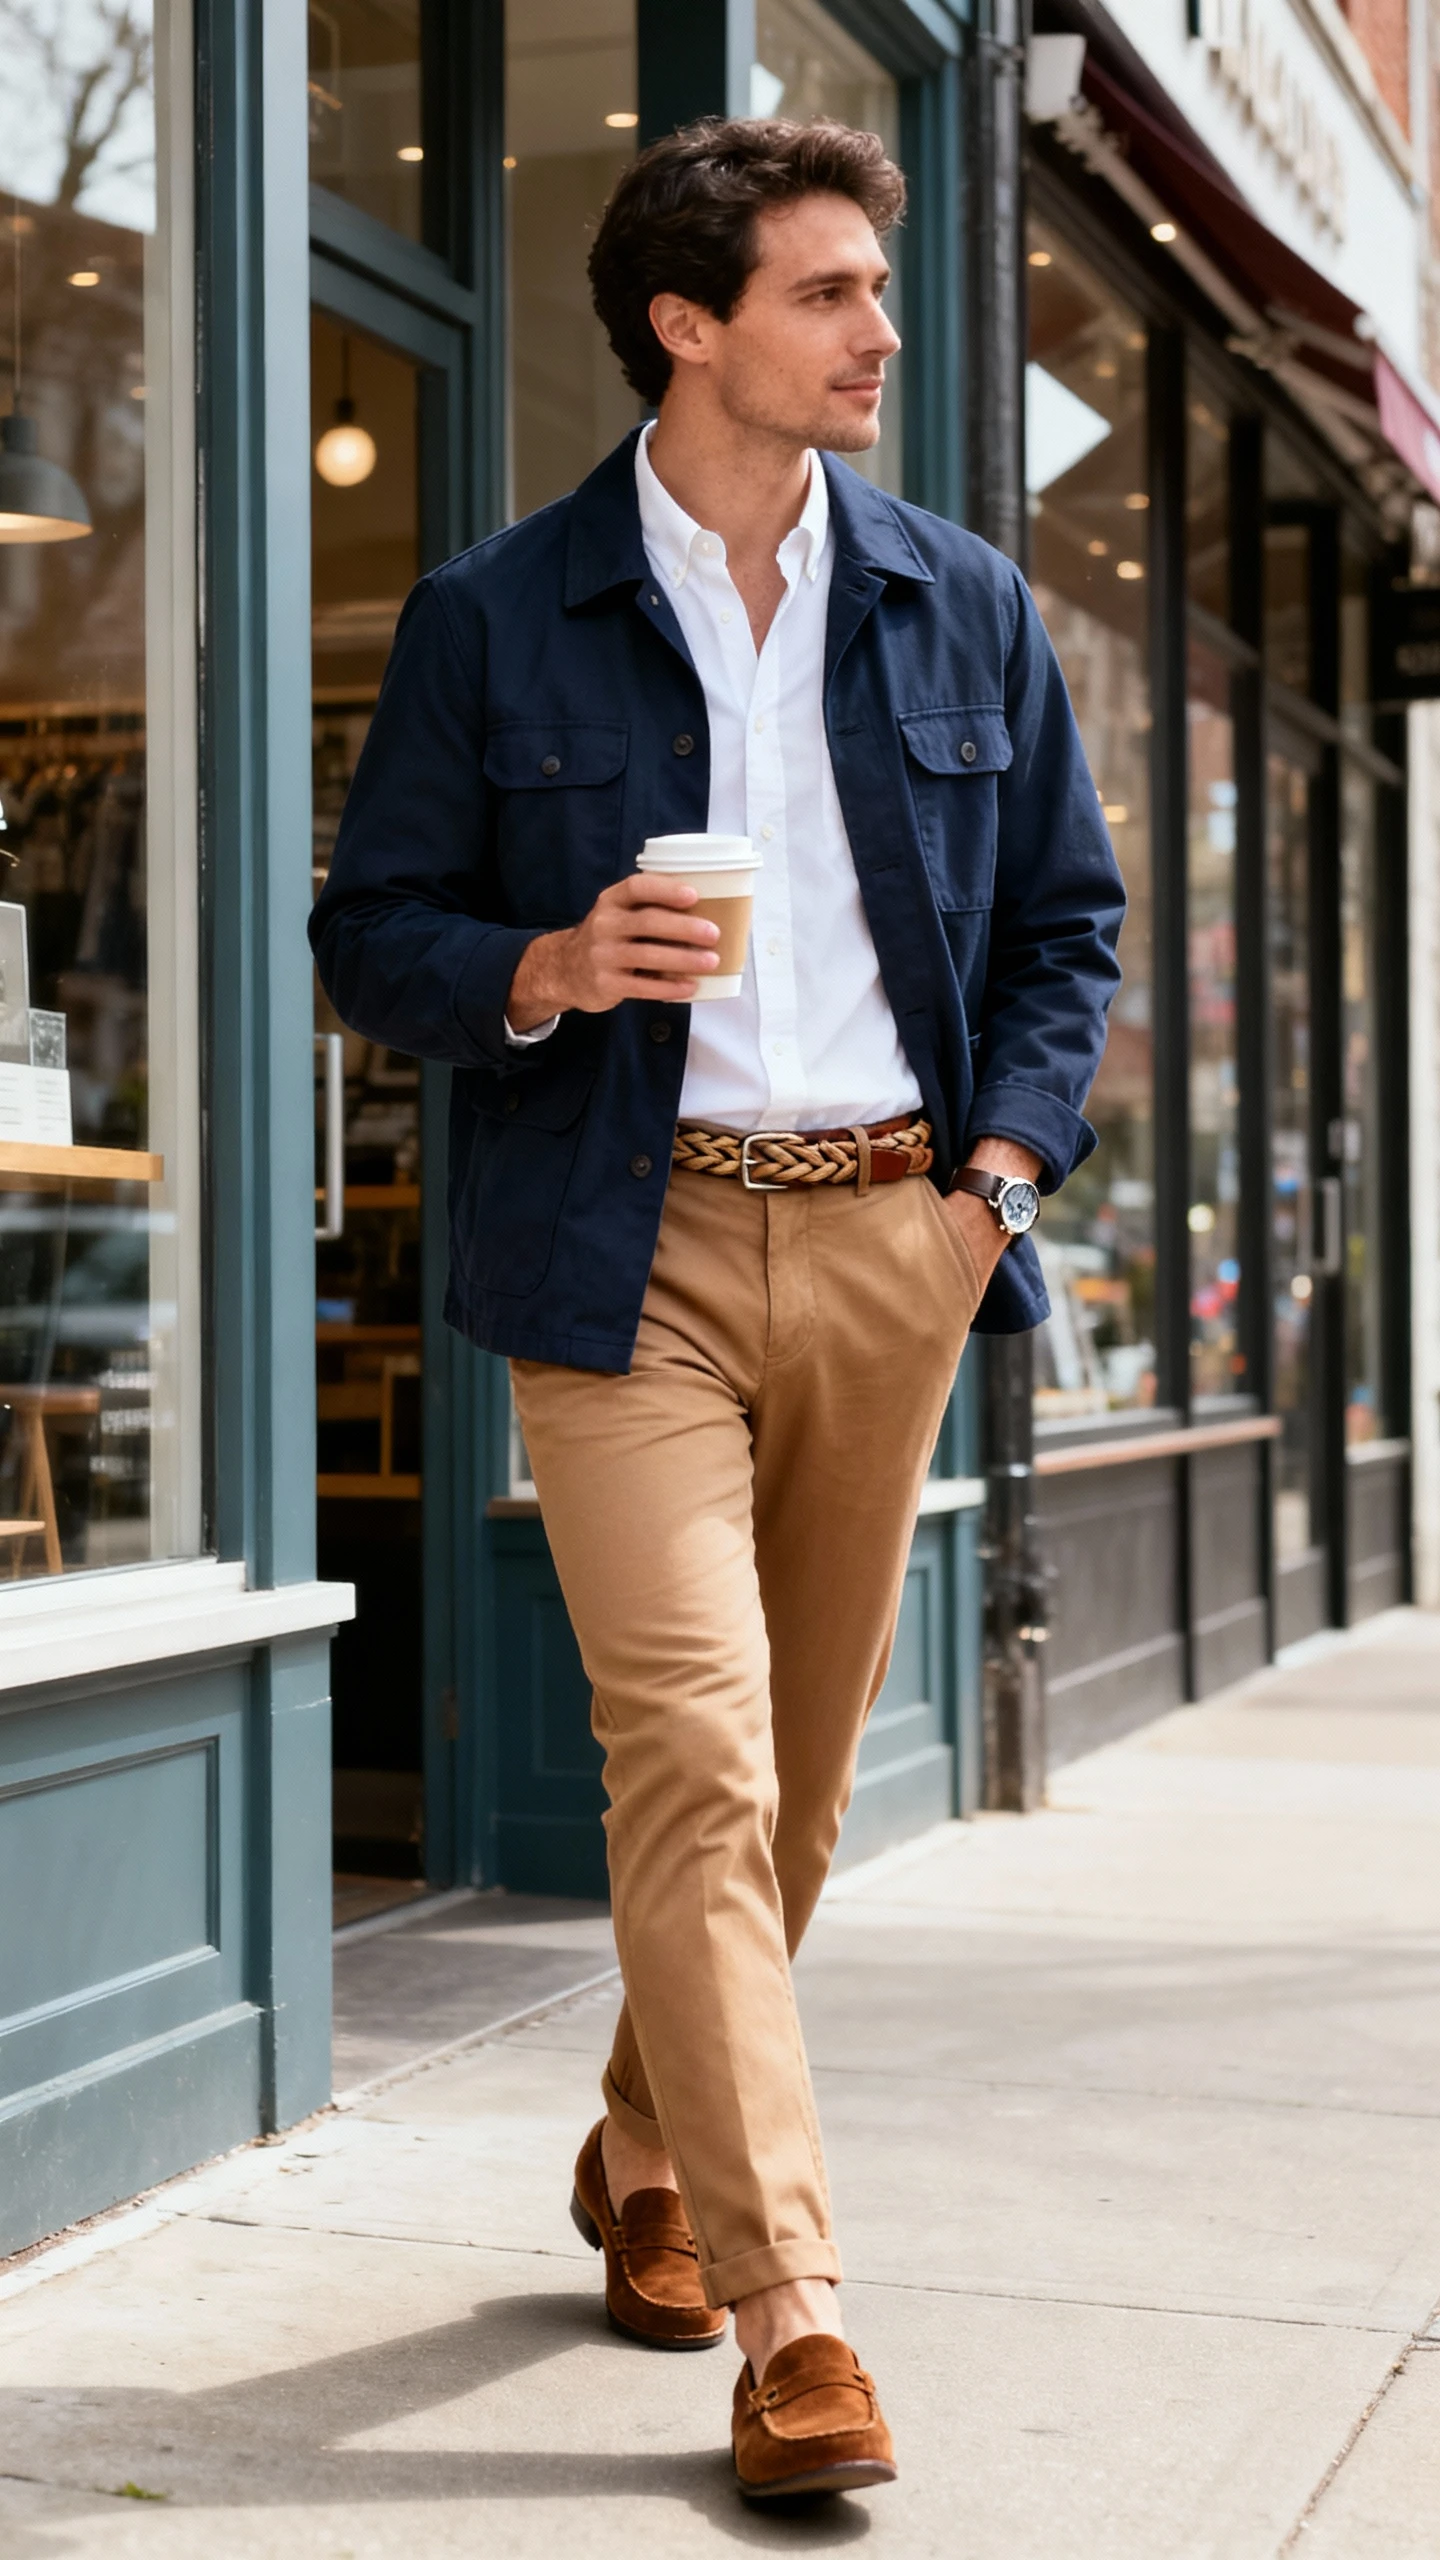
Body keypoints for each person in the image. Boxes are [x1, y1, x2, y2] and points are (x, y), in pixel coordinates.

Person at [311, 115, 1124, 2502]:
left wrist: (992, 1179)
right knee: (692, 1752)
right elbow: (374, 933)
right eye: (829, 293)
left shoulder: (963, 602)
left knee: (798, 1790)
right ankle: (796, 2316)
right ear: (689, 326)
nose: (881, 332)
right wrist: (552, 962)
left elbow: (1067, 925)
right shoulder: (499, 613)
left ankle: (645, 2145)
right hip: (622, 1245)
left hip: (894, 1236)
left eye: (877, 286)